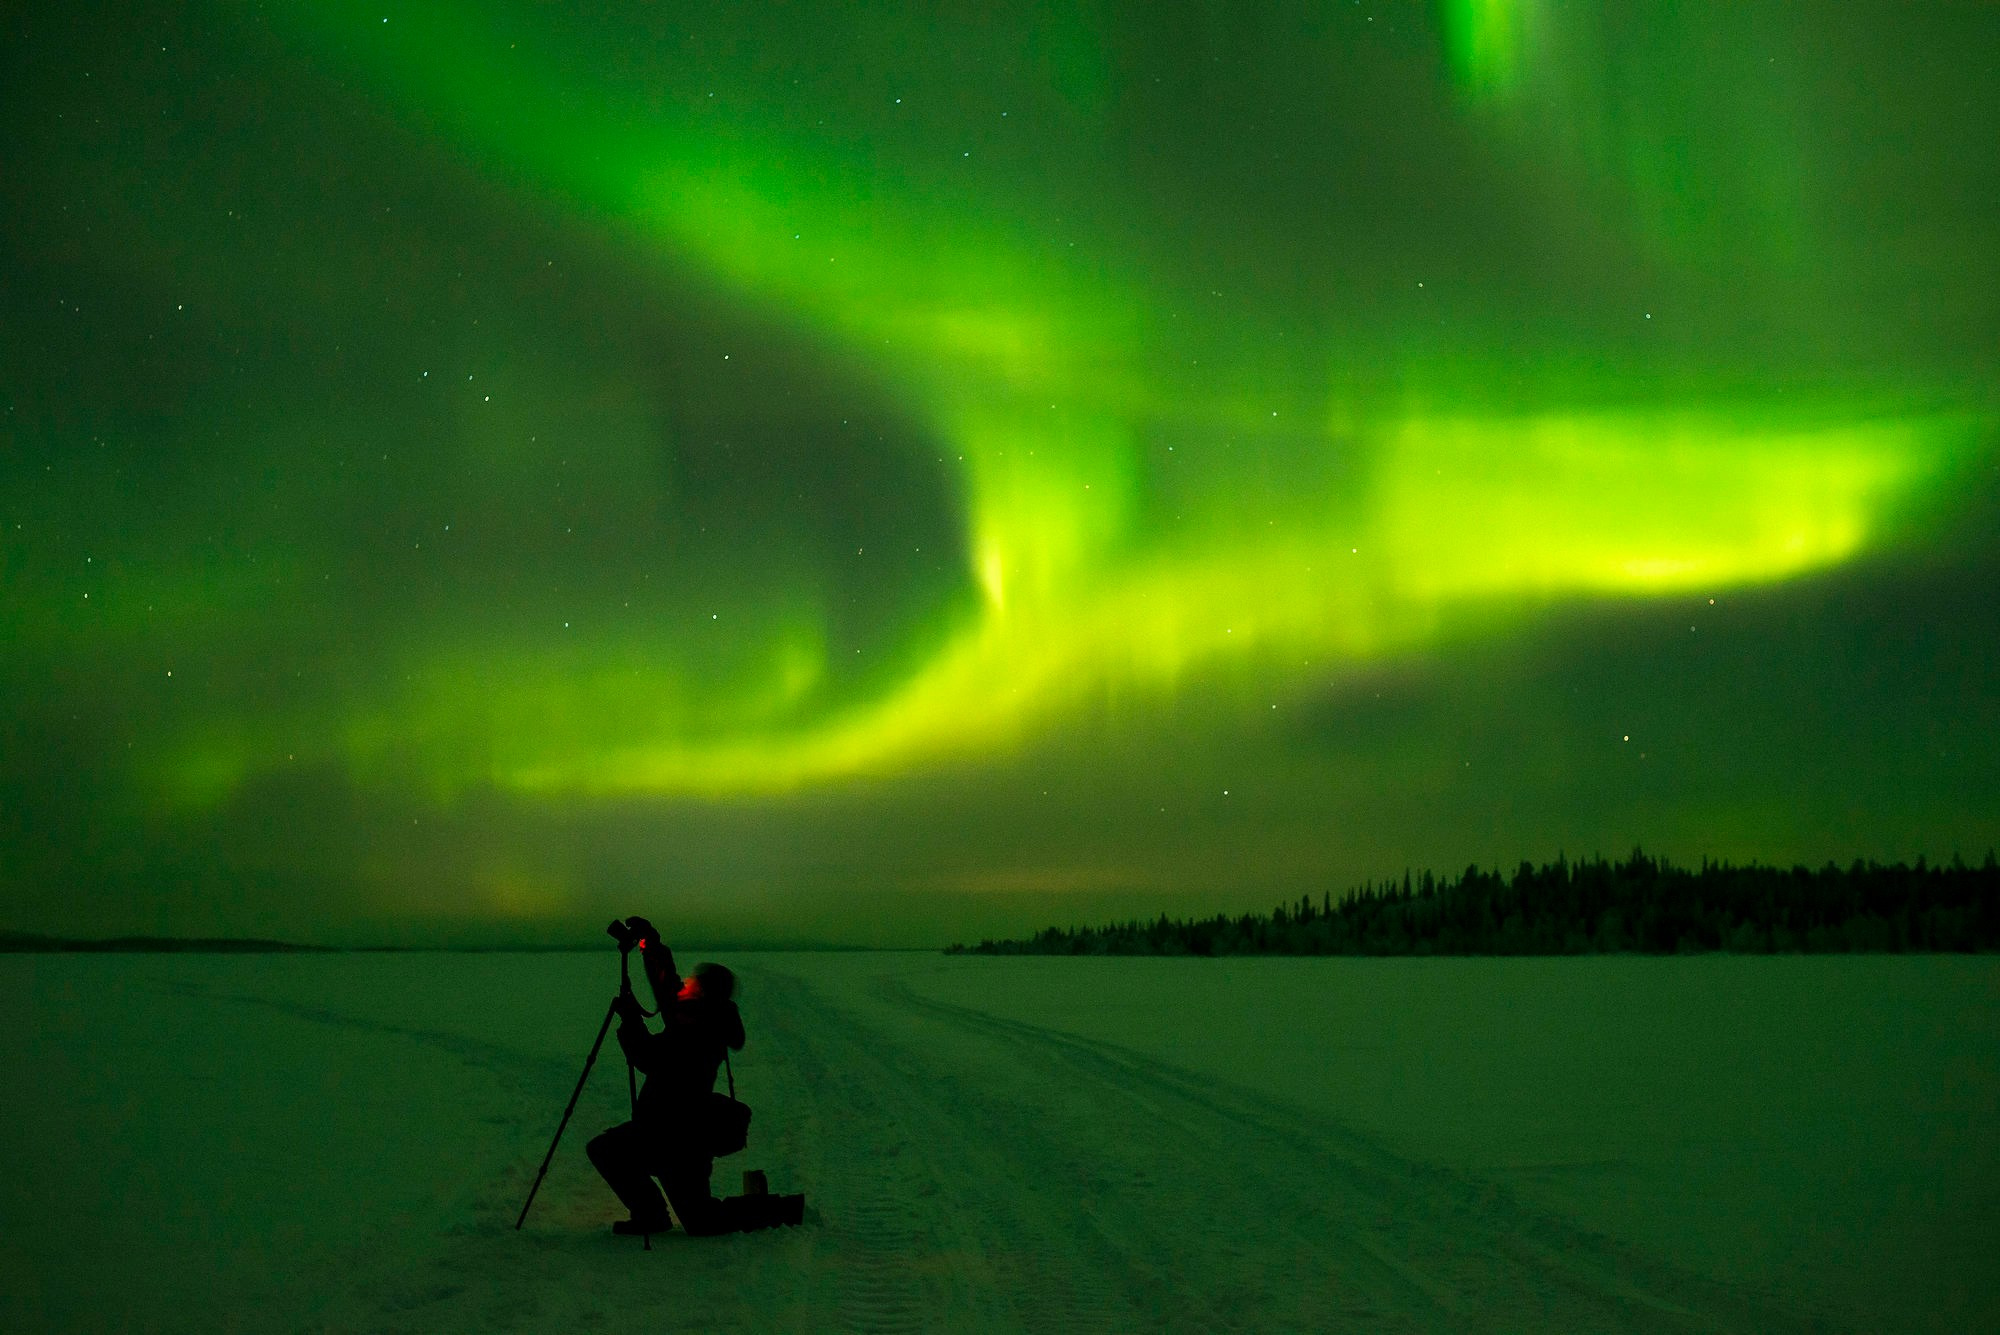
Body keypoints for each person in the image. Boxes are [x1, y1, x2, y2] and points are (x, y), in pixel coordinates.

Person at [584, 926, 803, 1236]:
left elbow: (648, 1057)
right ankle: (651, 1215)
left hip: (681, 1140)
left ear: (704, 993)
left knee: (703, 1221)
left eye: (694, 982)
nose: (686, 983)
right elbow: (667, 986)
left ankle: (783, 1210)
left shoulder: (701, 1030)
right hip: (668, 1132)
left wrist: (631, 1021)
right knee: (608, 1151)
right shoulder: (697, 1015)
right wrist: (651, 946)